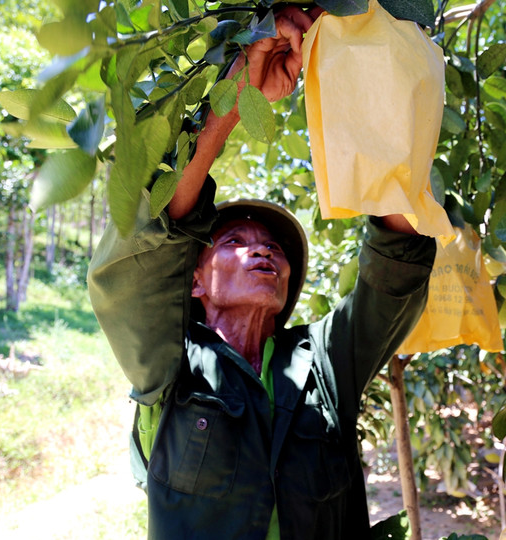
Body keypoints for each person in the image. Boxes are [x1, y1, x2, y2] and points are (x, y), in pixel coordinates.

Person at [87, 6, 437, 539]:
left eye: (274, 246)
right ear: (196, 281)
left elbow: (397, 264)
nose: (262, 251)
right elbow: (150, 234)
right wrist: (238, 91)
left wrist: (351, 70)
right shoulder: (170, 367)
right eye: (233, 242)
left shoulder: (324, 360)